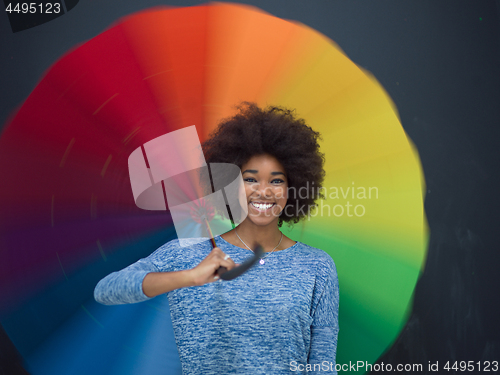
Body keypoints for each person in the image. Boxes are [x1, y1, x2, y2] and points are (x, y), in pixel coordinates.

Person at [94, 102, 339, 375]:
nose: (264, 191)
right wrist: (190, 277)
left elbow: (323, 366)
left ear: (293, 187)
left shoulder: (317, 266)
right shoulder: (187, 254)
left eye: (277, 181)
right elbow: (106, 289)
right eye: (251, 179)